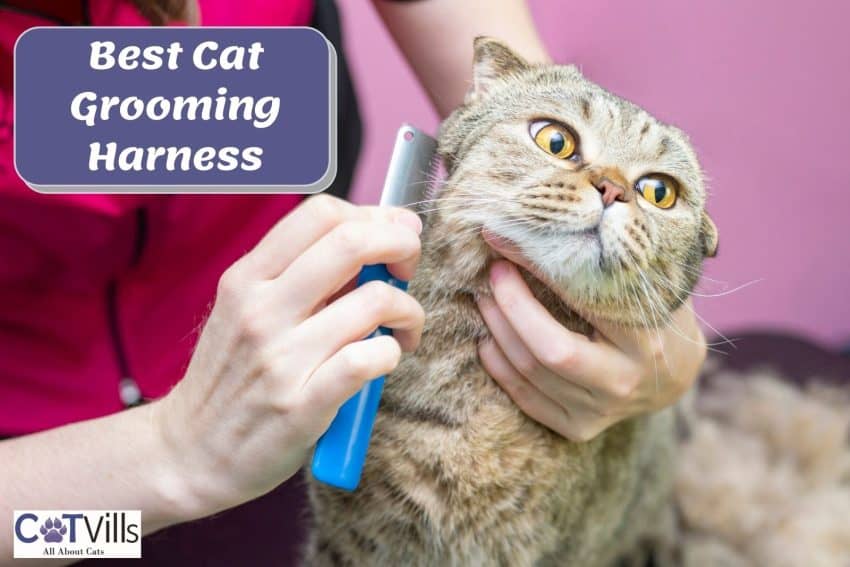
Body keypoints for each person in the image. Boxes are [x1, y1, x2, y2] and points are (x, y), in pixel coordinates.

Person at [0, 0, 707, 564]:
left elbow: (532, 104)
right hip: (52, 474)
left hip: (309, 412)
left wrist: (659, 323)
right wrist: (173, 456)